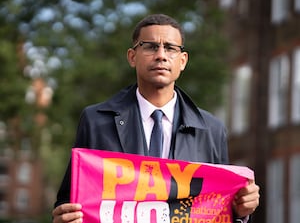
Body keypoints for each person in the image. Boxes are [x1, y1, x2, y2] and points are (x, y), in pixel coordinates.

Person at [52, 14, 259, 223]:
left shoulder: (211, 130)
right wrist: (64, 217)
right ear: (132, 57)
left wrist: (241, 211)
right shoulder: (96, 121)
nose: (161, 55)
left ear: (183, 60)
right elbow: (69, 201)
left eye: (170, 48)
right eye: (150, 46)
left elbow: (220, 208)